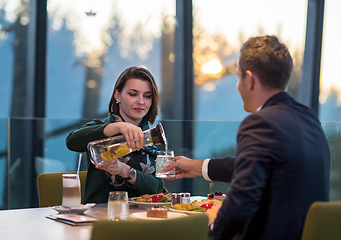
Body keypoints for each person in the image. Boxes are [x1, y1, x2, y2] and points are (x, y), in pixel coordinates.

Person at [164, 35, 330, 240]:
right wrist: (198, 166)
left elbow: (241, 204)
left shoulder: (261, 123)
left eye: (237, 77)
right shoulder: (308, 117)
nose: (237, 85)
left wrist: (213, 224)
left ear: (250, 80)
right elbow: (259, 166)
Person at [66, 66, 163, 203]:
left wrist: (124, 170)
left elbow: (158, 187)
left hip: (142, 217)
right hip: (100, 216)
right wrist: (118, 127)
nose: (141, 102)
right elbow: (72, 142)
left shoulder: (155, 138)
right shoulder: (100, 129)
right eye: (133, 94)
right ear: (117, 95)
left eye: (147, 96)